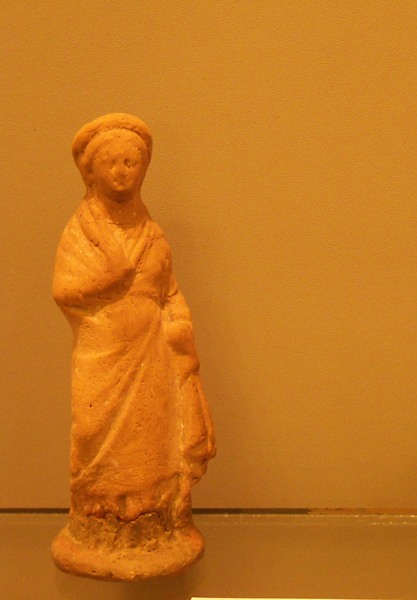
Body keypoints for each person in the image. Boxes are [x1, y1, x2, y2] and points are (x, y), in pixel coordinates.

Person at [51, 113, 215, 580]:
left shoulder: (152, 234)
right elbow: (64, 290)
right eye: (112, 163)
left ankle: (154, 526)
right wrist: (108, 280)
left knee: (153, 439)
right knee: (92, 433)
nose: (123, 172)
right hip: (103, 352)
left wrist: (181, 333)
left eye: (131, 162)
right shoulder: (80, 232)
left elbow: (169, 292)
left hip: (152, 353)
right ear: (91, 172)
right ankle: (98, 527)